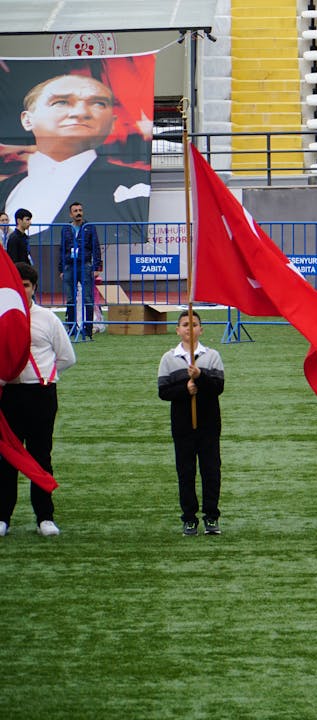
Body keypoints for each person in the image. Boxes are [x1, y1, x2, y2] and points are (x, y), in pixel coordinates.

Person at [0, 74, 150, 226]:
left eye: (98, 104)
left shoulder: (135, 183)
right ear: (27, 120)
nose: (80, 113)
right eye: (61, 102)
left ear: (112, 123)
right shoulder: (6, 188)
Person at [0, 262, 75, 537]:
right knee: (6, 457)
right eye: (16, 285)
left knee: (41, 455)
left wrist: (45, 375)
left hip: (41, 394)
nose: (22, 290)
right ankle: (3, 517)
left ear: (34, 288)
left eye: (27, 285)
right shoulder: (2, 317)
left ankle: (45, 517)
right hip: (8, 394)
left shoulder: (47, 318)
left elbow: (67, 357)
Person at [157, 311, 226, 536]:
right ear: (178, 330)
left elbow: (218, 387)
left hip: (208, 425)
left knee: (211, 471)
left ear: (201, 329)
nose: (190, 328)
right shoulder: (169, 358)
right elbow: (163, 391)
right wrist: (185, 389)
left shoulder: (212, 356)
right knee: (185, 472)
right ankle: (189, 518)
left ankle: (211, 516)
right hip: (183, 426)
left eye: (194, 324)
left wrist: (200, 377)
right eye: (185, 324)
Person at [58, 201, 101, 338]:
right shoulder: (65, 229)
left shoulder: (89, 227)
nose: (78, 213)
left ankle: (88, 329)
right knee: (70, 298)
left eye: (80, 210)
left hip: (85, 265)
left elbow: (96, 247)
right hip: (69, 266)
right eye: (75, 211)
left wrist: (97, 267)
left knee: (88, 297)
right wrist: (61, 269)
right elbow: (62, 249)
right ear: (71, 214)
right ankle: (71, 328)